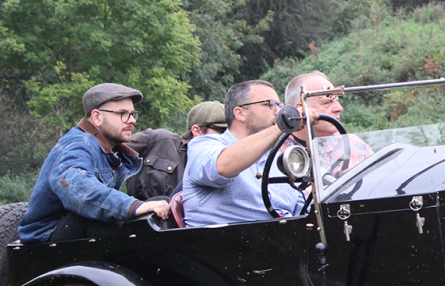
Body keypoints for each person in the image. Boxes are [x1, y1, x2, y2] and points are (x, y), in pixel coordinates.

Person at [18, 84, 174, 244]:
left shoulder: (107, 150)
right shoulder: (79, 144)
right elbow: (78, 189)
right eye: (122, 114)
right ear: (97, 117)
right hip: (45, 240)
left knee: (162, 203)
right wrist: (133, 207)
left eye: (132, 114)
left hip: (68, 232)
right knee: (104, 219)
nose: (132, 121)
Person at [181, 79, 303, 227]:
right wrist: (281, 126)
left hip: (285, 237)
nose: (278, 112)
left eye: (279, 105)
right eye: (269, 104)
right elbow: (222, 167)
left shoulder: (278, 160)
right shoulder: (202, 146)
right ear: (240, 113)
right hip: (223, 240)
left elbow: (302, 210)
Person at [126, 101, 227, 200]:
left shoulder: (223, 167)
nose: (226, 136)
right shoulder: (160, 140)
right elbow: (117, 149)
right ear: (197, 130)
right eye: (222, 131)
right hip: (136, 209)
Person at [283, 71, 373, 179]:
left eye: (336, 100)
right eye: (327, 102)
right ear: (301, 110)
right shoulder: (277, 154)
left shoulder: (355, 145)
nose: (339, 108)